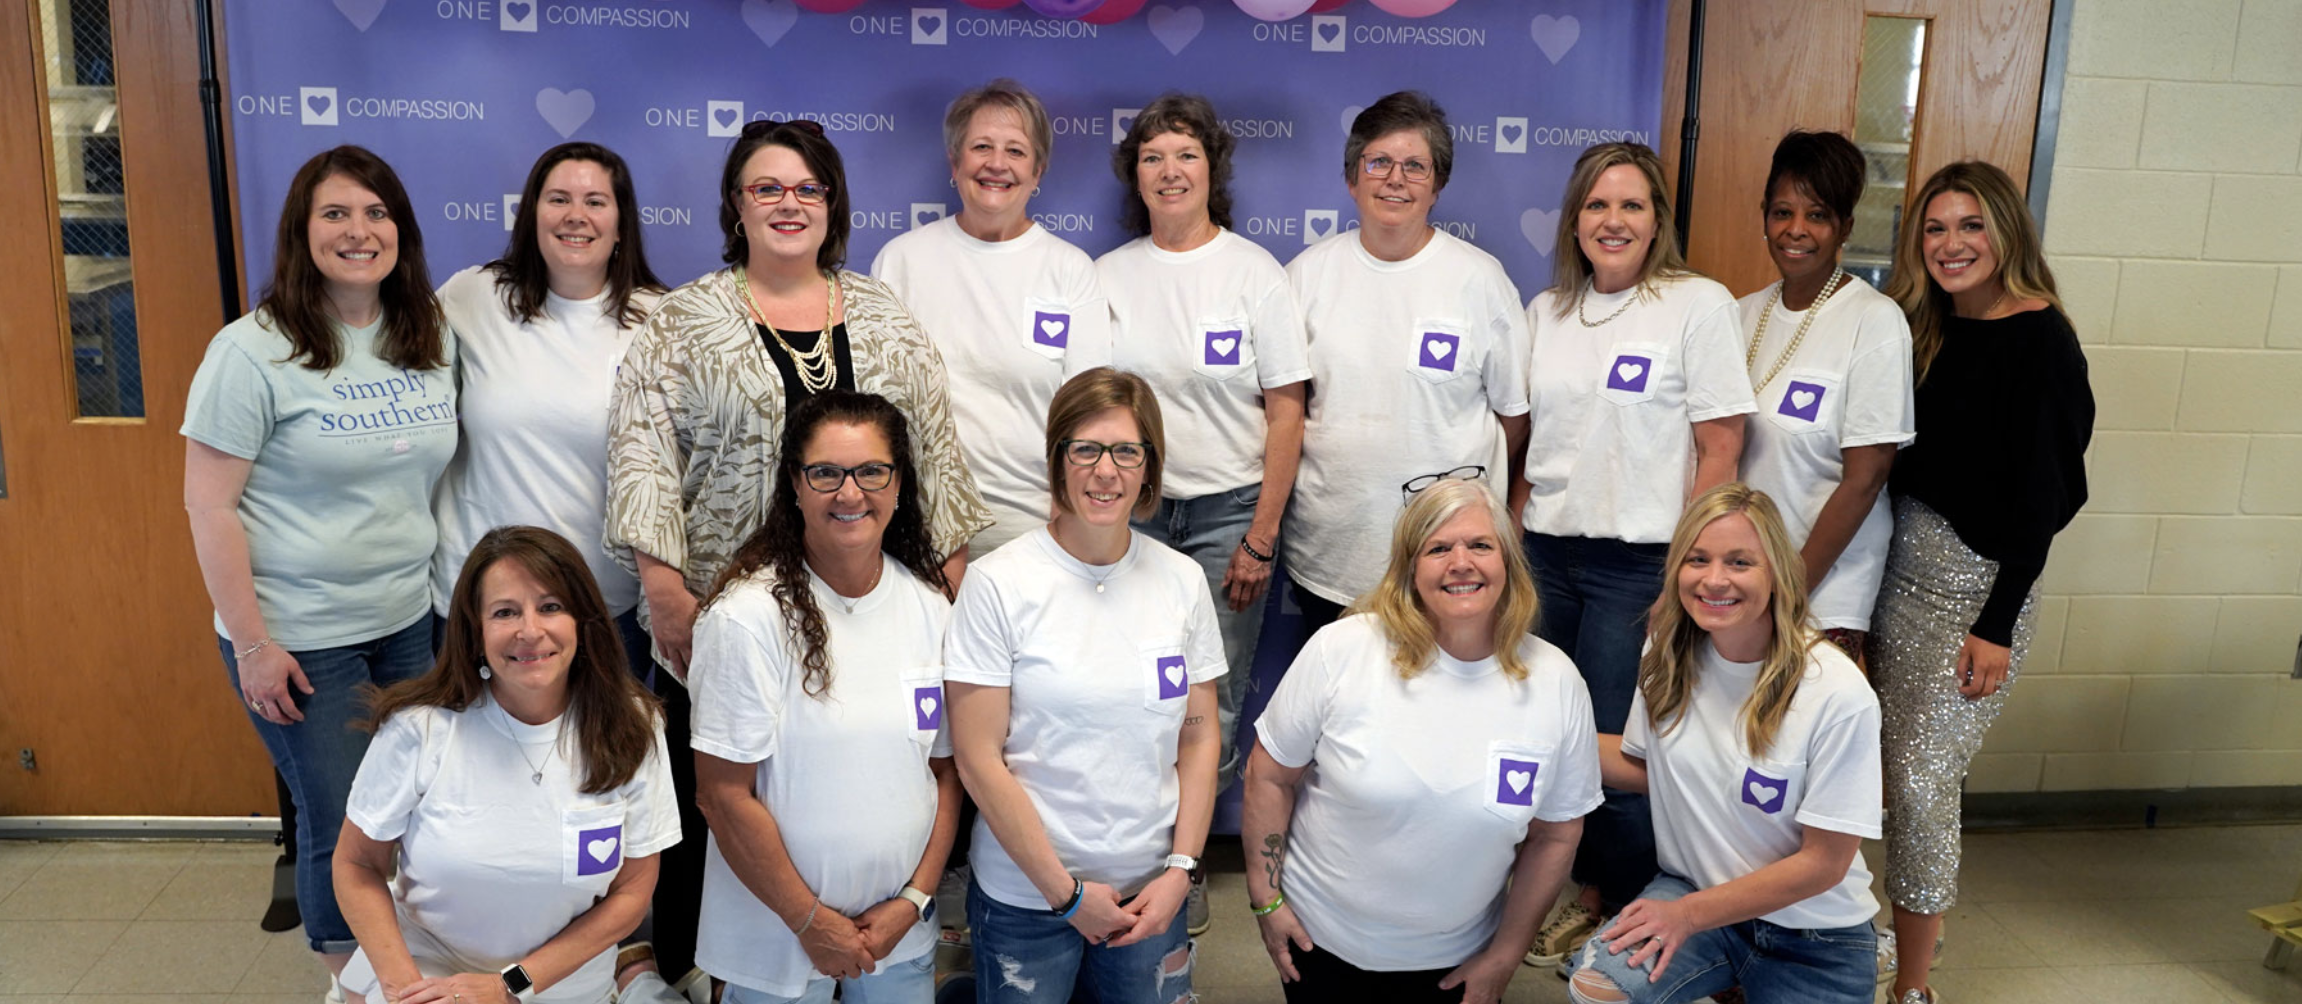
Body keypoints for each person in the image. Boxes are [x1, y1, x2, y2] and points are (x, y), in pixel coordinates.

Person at [182, 144, 456, 989]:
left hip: (407, 622)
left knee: (409, 807)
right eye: (335, 213)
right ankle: (352, 982)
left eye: (377, 213)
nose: (358, 231)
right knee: (340, 821)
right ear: (302, 232)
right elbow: (209, 507)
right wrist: (254, 646)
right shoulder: (250, 352)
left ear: (401, 232)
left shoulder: (428, 333)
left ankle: (402, 962)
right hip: (299, 638)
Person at [1518, 142, 1757, 967]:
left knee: (1618, 751)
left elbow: (1721, 448)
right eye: (1597, 205)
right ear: (1574, 221)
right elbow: (1531, 448)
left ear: (1658, 221)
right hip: (1545, 555)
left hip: (1640, 564)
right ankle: (1572, 891)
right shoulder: (1547, 312)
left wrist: (1685, 573)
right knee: (1547, 734)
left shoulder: (1697, 304)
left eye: (1631, 205)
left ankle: (1619, 916)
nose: (1613, 221)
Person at [1871, 161, 2093, 1004]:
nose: (1951, 244)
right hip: (1894, 579)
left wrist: (1997, 623)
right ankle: (1885, 933)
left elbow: (2045, 496)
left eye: (1970, 226)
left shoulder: (2042, 339)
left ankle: (1914, 986)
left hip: (1975, 596)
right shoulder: (1920, 325)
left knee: (1923, 781)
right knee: (1878, 772)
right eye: (1935, 228)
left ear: (2006, 234)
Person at [1241, 478, 1597, 1004]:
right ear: (1409, 568)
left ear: (1509, 562)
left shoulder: (1556, 680)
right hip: (1320, 944)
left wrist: (1505, 955)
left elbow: (1556, 836)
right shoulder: (1342, 650)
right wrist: (1266, 900)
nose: (1461, 563)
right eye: (1438, 548)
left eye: (1480, 545)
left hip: (1457, 964)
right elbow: (1269, 776)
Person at [945, 368, 1224, 1004]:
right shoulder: (998, 584)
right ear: (1057, 460)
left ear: (1149, 467)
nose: (1106, 471)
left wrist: (1181, 871)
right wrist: (1066, 895)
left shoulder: (1181, 580)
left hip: (1150, 896)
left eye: (1126, 451)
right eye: (1086, 450)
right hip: (1026, 898)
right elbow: (978, 757)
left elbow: (1199, 737)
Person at [684, 391, 964, 1004]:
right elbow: (722, 796)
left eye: (872, 471)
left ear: (898, 483)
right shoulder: (745, 619)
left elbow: (945, 773)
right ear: (795, 484)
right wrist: (810, 921)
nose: (850, 492)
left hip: (898, 934)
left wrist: (913, 900)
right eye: (826, 473)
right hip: (776, 937)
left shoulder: (930, 609)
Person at [333, 526, 681, 1004]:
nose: (530, 631)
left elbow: (632, 893)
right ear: (475, 632)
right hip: (429, 970)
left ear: (583, 621)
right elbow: (356, 864)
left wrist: (509, 985)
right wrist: (403, 989)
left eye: (551, 607)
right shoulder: (420, 729)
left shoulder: (633, 725)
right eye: (505, 612)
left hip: (565, 983)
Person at [1567, 483, 1882, 1004]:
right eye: (1698, 559)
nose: (1714, 580)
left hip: (1813, 935)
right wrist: (1537, 739)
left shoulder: (1836, 691)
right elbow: (1648, 769)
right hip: (1697, 890)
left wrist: (1686, 916)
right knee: (1596, 989)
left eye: (1739, 562)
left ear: (1777, 573)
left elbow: (1824, 863)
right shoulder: (1666, 656)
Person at [1098, 92, 1308, 832]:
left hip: (1230, 517)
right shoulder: (1107, 276)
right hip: (1132, 515)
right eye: (1152, 156)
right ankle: (1128, 842)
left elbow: (1287, 410)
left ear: (1211, 169)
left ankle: (1182, 855)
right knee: (1126, 685)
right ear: (1135, 174)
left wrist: (1261, 535)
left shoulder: (1254, 273)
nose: (1170, 170)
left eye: (1186, 154)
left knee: (1207, 697)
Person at [1283, 90, 1531, 633]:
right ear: (1352, 178)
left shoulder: (1480, 280)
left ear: (1436, 187)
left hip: (1449, 563)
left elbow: (1513, 421)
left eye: (1415, 166)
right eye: (1378, 162)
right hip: (1331, 558)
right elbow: (1285, 412)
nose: (1396, 179)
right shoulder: (1305, 276)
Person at [873, 78, 1111, 557]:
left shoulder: (1070, 270)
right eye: (981, 146)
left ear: (1037, 171)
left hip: (1032, 529)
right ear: (955, 163)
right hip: (917, 522)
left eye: (1016, 151)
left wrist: (1066, 517)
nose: (997, 164)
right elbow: (874, 400)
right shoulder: (900, 261)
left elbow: (1088, 412)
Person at [1732, 131, 1914, 663]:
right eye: (1782, 212)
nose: (1796, 230)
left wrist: (1788, 593)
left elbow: (1866, 479)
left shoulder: (1874, 321)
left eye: (1817, 215)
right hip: (1740, 583)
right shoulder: (1741, 314)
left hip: (1821, 596)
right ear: (1764, 217)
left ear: (1845, 228)